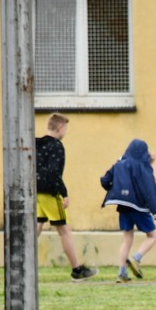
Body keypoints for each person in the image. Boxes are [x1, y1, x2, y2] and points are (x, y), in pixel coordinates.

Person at [36, 113, 97, 282]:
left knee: (37, 226)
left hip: (36, 191)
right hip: (49, 192)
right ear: (60, 127)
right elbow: (54, 172)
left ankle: (20, 260)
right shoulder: (57, 146)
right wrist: (64, 193)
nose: (66, 132)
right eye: (66, 128)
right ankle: (77, 270)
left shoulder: (37, 143)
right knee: (64, 230)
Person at [101, 139, 156, 283]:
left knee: (127, 239)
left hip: (123, 206)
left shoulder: (119, 164)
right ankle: (136, 258)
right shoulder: (144, 167)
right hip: (139, 207)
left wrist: (116, 189)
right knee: (153, 236)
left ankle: (122, 273)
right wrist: (155, 210)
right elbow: (150, 187)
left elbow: (105, 180)